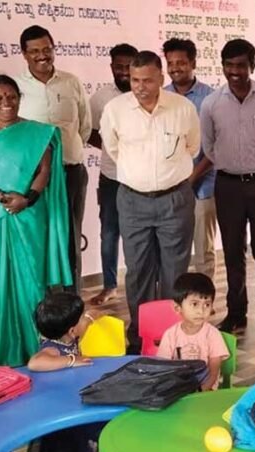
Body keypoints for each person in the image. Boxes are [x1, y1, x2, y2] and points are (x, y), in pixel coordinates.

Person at [0, 75, 72, 367]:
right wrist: (0, 196)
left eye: (11, 97)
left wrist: (27, 199)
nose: (5, 103)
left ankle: (35, 345)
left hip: (29, 214)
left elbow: (44, 172)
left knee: (32, 280)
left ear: (19, 98)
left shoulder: (37, 133)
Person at [100, 51, 200, 353]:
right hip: (133, 200)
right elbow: (113, 149)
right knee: (138, 269)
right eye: (134, 80)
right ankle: (140, 333)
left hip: (175, 199)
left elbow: (193, 147)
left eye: (147, 80)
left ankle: (172, 335)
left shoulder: (183, 108)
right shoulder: (115, 109)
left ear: (161, 78)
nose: (140, 86)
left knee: (174, 271)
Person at [202, 39, 255, 336]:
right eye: (229, 65)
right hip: (227, 186)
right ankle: (236, 314)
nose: (234, 71)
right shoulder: (211, 103)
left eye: (241, 65)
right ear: (222, 66)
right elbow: (208, 146)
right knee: (232, 251)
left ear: (252, 65)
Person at [16, 25, 91, 292]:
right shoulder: (17, 87)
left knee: (71, 238)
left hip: (71, 172)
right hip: (33, 179)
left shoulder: (71, 82)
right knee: (39, 238)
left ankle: (73, 302)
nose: (42, 55)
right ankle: (44, 303)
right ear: (24, 54)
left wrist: (66, 152)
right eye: (34, 51)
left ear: (53, 48)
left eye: (46, 49)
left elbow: (84, 126)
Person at [25, 292, 104, 452]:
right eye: (80, 317)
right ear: (71, 330)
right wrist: (71, 360)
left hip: (71, 398)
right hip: (58, 407)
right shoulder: (52, 348)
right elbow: (35, 362)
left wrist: (91, 316)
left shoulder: (70, 335)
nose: (83, 318)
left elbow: (85, 323)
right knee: (65, 442)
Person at [87, 43, 138, 305]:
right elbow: (89, 131)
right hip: (110, 176)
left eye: (128, 66)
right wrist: (111, 148)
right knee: (109, 232)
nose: (124, 72)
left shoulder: (146, 94)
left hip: (140, 179)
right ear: (111, 68)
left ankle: (138, 282)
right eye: (118, 67)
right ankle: (109, 285)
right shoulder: (100, 98)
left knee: (138, 233)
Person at [163, 38, 217, 282]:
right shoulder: (161, 97)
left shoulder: (210, 98)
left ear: (193, 63)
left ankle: (206, 300)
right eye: (170, 63)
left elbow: (215, 148)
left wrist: (193, 178)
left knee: (203, 249)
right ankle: (179, 299)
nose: (175, 68)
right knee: (174, 247)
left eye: (181, 63)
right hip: (170, 187)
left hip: (203, 187)